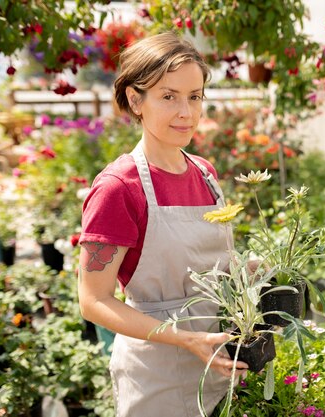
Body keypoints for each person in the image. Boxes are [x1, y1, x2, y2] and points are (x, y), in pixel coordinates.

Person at [77, 32, 248, 417]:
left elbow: (204, 268)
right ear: (136, 100)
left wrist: (246, 272)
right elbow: (93, 300)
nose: (186, 112)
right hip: (157, 375)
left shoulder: (205, 173)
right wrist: (185, 339)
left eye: (195, 96)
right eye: (168, 96)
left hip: (219, 364)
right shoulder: (119, 188)